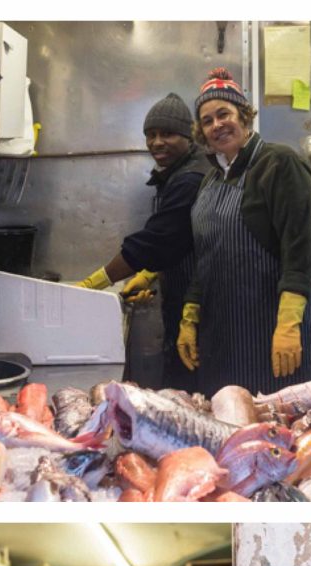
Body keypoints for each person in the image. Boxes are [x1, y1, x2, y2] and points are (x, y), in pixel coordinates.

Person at [176, 68, 311, 397]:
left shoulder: (279, 164)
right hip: (220, 339)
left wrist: (288, 326)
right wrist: (190, 318)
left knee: (277, 435)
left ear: (245, 115)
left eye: (223, 114)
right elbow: (205, 256)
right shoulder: (211, 179)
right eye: (207, 121)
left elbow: (298, 253)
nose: (217, 125)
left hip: (269, 338)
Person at [75, 94, 211, 390]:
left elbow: (155, 242)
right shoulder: (178, 173)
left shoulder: (189, 179)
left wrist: (94, 284)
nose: (156, 142)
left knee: (188, 391)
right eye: (151, 135)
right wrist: (149, 273)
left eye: (167, 134)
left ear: (188, 136)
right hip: (182, 293)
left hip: (198, 305)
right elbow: (178, 239)